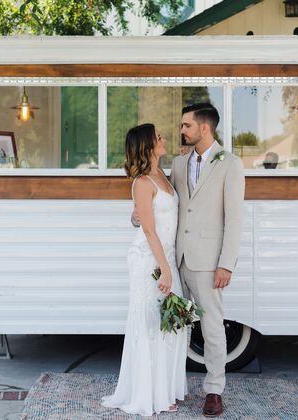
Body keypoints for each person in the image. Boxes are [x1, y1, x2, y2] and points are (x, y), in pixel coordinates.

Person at [135, 103, 245, 417]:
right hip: (177, 258)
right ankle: (171, 386)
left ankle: (214, 391)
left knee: (212, 327)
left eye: (186, 125)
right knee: (176, 327)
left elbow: (234, 219)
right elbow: (166, 202)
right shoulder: (180, 163)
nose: (181, 130)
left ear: (204, 128)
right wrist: (137, 215)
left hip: (209, 262)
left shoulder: (231, 164)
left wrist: (226, 263)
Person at [101, 123, 188, 416]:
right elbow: (149, 230)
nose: (163, 139)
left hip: (167, 257)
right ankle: (150, 394)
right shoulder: (142, 182)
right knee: (152, 326)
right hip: (149, 260)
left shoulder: (162, 174)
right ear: (147, 145)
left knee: (173, 324)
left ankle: (165, 389)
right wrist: (165, 269)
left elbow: (152, 216)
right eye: (158, 137)